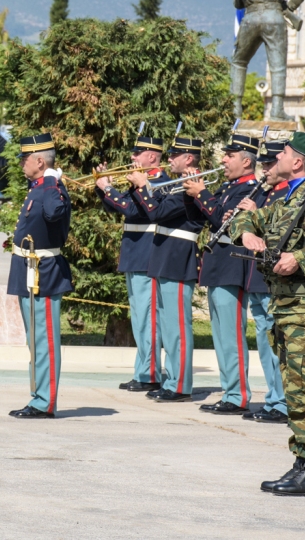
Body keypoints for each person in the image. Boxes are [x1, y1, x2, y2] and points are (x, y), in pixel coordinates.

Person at [229, 132, 305, 496]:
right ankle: (303, 461)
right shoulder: (289, 198)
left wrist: (300, 258)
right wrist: (246, 235)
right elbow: (249, 218)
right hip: (284, 305)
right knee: (294, 385)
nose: (276, 158)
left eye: (283, 152)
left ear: (297, 161)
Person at [184, 133, 261, 416]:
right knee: (220, 335)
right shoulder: (230, 187)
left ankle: (238, 394)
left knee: (231, 335)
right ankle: (230, 390)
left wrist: (201, 193)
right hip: (218, 264)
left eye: (229, 156)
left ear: (246, 161)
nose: (223, 160)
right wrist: (191, 193)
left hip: (232, 264)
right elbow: (203, 216)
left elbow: (223, 220)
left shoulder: (249, 189)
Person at [128, 138, 205, 402]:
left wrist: (142, 186)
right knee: (169, 327)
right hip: (164, 256)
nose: (169, 158)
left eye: (175, 155)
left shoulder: (192, 186)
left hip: (177, 257)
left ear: (190, 159)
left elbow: (156, 212)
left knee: (177, 328)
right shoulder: (176, 185)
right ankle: (172, 379)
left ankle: (180, 384)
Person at [95, 135, 168, 392]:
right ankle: (143, 370)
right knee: (140, 319)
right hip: (135, 256)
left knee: (148, 319)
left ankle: (150, 374)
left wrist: (108, 188)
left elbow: (132, 210)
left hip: (147, 256)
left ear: (152, 156)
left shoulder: (159, 182)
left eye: (137, 153)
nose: (132, 157)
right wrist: (102, 187)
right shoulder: (140, 183)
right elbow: (119, 208)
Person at [6, 133, 73, 418]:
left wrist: (51, 179)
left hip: (44, 274)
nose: (21, 164)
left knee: (44, 341)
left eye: (25, 159)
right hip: (28, 270)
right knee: (35, 341)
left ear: (39, 161)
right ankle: (38, 396)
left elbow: (55, 211)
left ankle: (44, 401)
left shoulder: (50, 187)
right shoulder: (37, 187)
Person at [234, 140, 288, 423]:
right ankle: (273, 398)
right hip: (257, 276)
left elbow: (280, 234)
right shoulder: (267, 194)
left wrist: (254, 214)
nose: (265, 170)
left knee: (277, 343)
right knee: (265, 344)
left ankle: (282, 402)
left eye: (270, 164)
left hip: (274, 279)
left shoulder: (286, 196)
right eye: (263, 165)